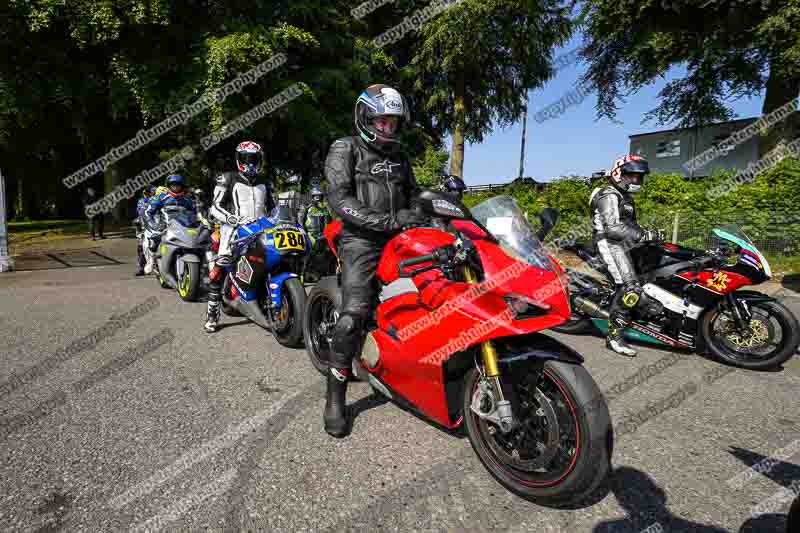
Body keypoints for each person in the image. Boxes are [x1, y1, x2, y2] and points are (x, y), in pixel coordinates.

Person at [323, 83, 427, 438]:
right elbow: (339, 199)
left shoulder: (401, 155)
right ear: (365, 117)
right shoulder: (344, 148)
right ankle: (335, 396)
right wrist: (385, 222)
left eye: (393, 123)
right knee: (353, 316)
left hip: (400, 235)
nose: (387, 128)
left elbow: (415, 194)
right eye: (381, 121)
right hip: (360, 239)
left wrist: (427, 212)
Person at [589, 155, 664, 357]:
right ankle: (615, 336)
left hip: (625, 244)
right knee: (629, 288)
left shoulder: (625, 196)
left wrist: (649, 234)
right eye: (632, 175)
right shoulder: (608, 194)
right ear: (618, 173)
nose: (636, 181)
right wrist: (643, 235)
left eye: (639, 177)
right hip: (609, 243)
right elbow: (612, 228)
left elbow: (630, 225)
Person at [204, 141, 277, 333]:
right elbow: (214, 207)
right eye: (246, 159)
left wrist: (279, 218)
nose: (251, 163)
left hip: (262, 230)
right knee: (218, 269)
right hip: (234, 231)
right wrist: (230, 218)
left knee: (275, 258)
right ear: (238, 159)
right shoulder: (227, 178)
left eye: (254, 158)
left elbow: (274, 208)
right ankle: (212, 315)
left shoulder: (265, 182)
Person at [144, 175, 196, 274]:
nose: (176, 187)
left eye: (178, 185)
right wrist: (153, 223)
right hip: (165, 226)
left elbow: (194, 213)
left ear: (182, 186)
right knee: (154, 238)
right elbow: (149, 211)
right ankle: (151, 259)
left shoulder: (187, 200)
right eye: (173, 185)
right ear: (169, 186)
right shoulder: (162, 197)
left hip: (183, 226)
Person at [134, 185, 157, 276]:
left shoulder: (157, 200)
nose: (147, 195)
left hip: (156, 226)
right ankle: (141, 267)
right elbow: (140, 213)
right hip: (143, 227)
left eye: (149, 193)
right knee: (141, 247)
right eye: (146, 193)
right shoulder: (141, 201)